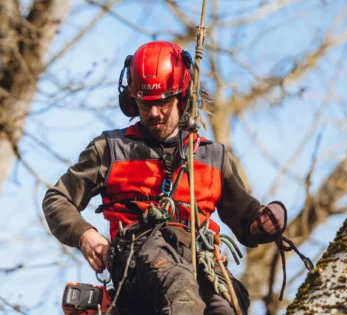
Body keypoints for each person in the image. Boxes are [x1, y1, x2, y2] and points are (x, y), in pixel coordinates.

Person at [43, 40, 292, 314]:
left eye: (163, 103)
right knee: (179, 288)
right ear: (131, 101)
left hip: (199, 257)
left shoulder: (213, 156)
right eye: (144, 104)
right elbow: (58, 198)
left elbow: (244, 216)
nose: (153, 113)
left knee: (226, 303)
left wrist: (262, 223)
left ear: (183, 98)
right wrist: (85, 234)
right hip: (138, 258)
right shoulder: (110, 149)